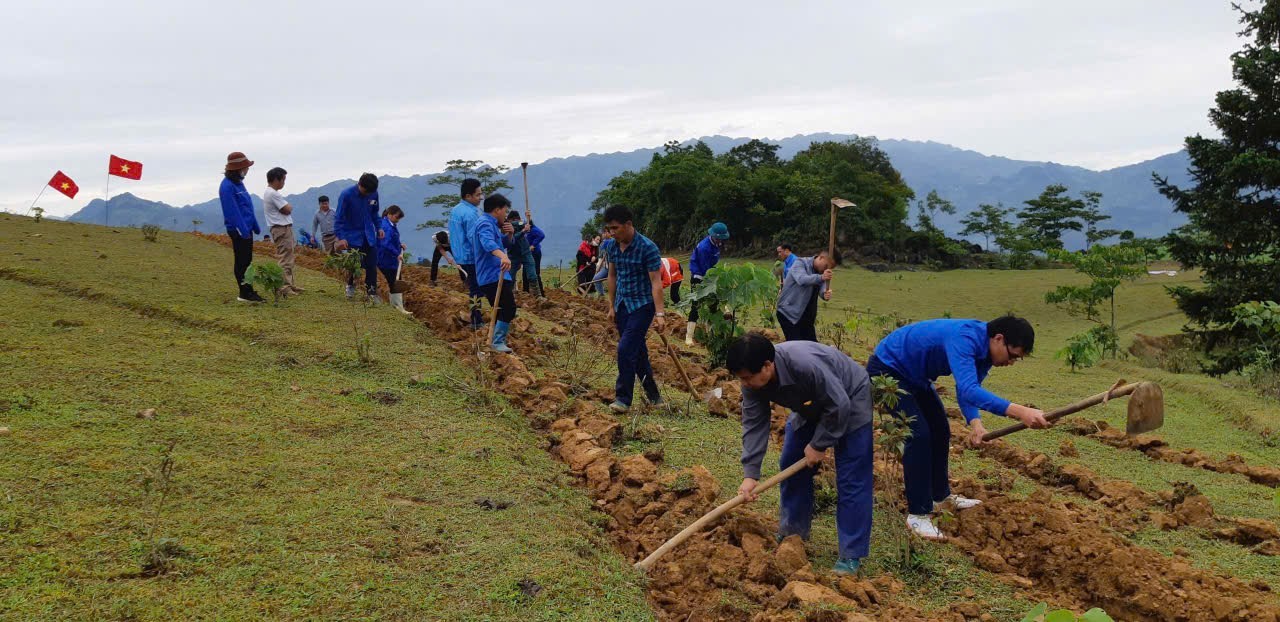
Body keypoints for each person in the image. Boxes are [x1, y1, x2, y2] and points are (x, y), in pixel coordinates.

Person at [866, 315, 1047, 540]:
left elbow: (966, 390)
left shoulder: (986, 352)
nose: (1010, 363)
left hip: (917, 377)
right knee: (919, 435)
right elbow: (970, 389)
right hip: (888, 370)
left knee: (941, 430)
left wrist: (976, 424)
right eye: (1012, 356)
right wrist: (1022, 412)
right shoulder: (964, 339)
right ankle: (918, 515)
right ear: (999, 339)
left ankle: (940, 498)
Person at [729, 333, 873, 576]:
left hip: (849, 397)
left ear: (767, 365)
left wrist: (819, 444)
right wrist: (750, 474)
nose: (744, 384)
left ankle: (851, 554)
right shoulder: (753, 383)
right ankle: (792, 533)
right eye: (740, 378)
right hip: (809, 404)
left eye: (747, 378)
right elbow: (754, 425)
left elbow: (839, 405)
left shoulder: (804, 366)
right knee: (791, 463)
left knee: (851, 478)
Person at [601, 205, 665, 412]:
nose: (612, 233)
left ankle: (623, 399)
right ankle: (654, 396)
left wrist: (660, 314)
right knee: (638, 353)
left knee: (625, 348)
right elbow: (612, 276)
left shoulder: (648, 247)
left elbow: (656, 282)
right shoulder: (611, 246)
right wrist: (611, 305)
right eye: (609, 229)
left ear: (628, 224)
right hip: (622, 305)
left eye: (616, 228)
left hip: (642, 306)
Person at [473, 194, 517, 353]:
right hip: (491, 275)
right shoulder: (484, 223)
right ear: (497, 210)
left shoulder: (493, 225)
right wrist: (503, 256)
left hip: (498, 274)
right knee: (509, 308)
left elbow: (501, 244)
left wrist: (510, 234)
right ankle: (497, 342)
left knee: (500, 309)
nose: (506, 216)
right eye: (505, 211)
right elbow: (488, 244)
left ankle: (497, 342)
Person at [218, 151, 263, 303]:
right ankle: (244, 293)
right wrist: (243, 231)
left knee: (248, 261)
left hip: (246, 228)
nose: (248, 170)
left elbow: (247, 205)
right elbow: (232, 212)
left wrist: (254, 225)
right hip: (238, 230)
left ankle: (248, 290)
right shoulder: (227, 187)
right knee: (242, 261)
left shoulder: (239, 183)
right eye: (246, 167)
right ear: (238, 168)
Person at [334, 173, 383, 301]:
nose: (367, 194)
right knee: (354, 264)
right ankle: (350, 286)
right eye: (365, 191)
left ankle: (371, 292)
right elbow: (339, 218)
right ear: (360, 184)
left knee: (372, 265)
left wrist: (379, 227)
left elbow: (375, 213)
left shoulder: (373, 193)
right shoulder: (346, 195)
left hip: (369, 236)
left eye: (370, 192)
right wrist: (342, 237)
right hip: (352, 236)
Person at [448, 179, 485, 329]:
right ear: (468, 196)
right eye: (478, 195)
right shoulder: (471, 214)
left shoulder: (455, 210)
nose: (481, 197)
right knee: (476, 289)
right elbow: (474, 238)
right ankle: (476, 320)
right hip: (471, 257)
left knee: (474, 288)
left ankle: (477, 317)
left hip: (460, 257)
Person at [686, 222, 730, 345]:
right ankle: (689, 337)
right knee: (696, 305)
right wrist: (715, 283)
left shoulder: (716, 244)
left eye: (722, 239)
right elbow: (706, 270)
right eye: (719, 239)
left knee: (713, 306)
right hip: (699, 277)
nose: (720, 241)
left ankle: (709, 334)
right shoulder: (705, 248)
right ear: (713, 236)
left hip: (710, 277)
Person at [776, 252, 835, 342]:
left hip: (806, 318)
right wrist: (822, 277)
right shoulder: (800, 263)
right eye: (826, 265)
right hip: (789, 313)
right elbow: (802, 279)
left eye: (830, 268)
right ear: (821, 257)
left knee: (812, 348)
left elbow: (822, 287)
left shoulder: (821, 273)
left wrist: (825, 294)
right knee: (796, 348)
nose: (826, 269)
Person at [262, 167, 302, 296]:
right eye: (283, 180)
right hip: (281, 228)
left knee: (288, 257)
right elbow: (287, 209)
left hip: (281, 228)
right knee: (285, 258)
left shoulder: (270, 193)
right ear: (276, 180)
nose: (284, 183)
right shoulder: (273, 193)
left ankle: (289, 284)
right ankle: (284, 287)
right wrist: (288, 206)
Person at [377, 205, 413, 316]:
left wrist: (399, 244)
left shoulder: (390, 224)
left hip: (390, 259)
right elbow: (385, 243)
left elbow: (392, 240)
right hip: (386, 259)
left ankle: (396, 306)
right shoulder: (386, 226)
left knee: (394, 282)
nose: (398, 220)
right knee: (395, 282)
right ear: (390, 215)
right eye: (396, 217)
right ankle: (399, 308)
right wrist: (397, 253)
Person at [505, 211, 542, 297]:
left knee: (532, 275)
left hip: (526, 253)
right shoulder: (506, 226)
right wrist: (523, 231)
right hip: (513, 256)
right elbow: (512, 239)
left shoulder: (520, 223)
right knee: (510, 277)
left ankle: (538, 296)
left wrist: (528, 219)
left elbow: (524, 223)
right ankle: (509, 297)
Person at [525, 213, 546, 295]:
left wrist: (533, 245)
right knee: (525, 273)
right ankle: (525, 292)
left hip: (535, 254)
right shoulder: (526, 230)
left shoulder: (534, 229)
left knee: (536, 273)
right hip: (527, 254)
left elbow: (542, 235)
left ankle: (541, 293)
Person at [593, 229, 612, 296]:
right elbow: (600, 257)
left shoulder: (614, 242)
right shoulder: (602, 244)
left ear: (610, 233)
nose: (604, 234)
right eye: (603, 233)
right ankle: (601, 295)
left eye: (606, 232)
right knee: (596, 279)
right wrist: (598, 267)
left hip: (615, 268)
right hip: (606, 268)